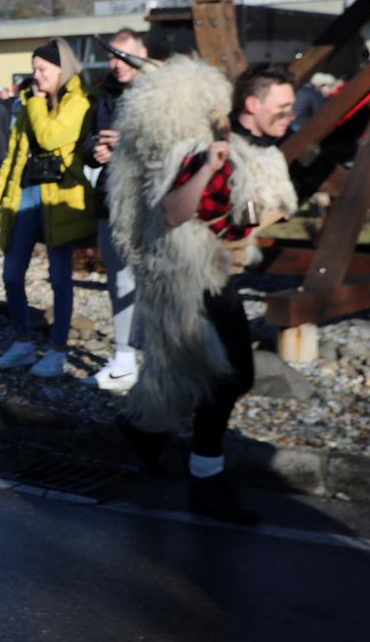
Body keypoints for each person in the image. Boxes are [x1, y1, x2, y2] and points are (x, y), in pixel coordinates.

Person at [111, 62, 297, 525]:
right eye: (283, 106)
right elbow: (174, 212)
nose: (289, 114)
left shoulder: (260, 153)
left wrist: (254, 217)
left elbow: (243, 215)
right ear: (253, 105)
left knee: (211, 376)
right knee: (227, 377)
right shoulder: (201, 150)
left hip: (219, 274)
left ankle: (145, 434)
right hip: (188, 280)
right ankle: (204, 479)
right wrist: (211, 166)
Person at [0, 39, 96, 379]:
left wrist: (35, 104)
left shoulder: (79, 102)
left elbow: (49, 136)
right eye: (34, 70)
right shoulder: (33, 102)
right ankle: (22, 342)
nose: (36, 76)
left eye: (42, 69)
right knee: (12, 273)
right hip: (26, 193)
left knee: (60, 278)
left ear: (62, 69)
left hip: (61, 198)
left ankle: (57, 351)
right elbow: (14, 156)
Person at [79, 29, 149, 392]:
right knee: (118, 279)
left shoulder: (159, 95)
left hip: (149, 202)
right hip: (110, 198)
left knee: (152, 283)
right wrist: (97, 151)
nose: (116, 63)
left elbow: (176, 144)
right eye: (112, 56)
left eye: (124, 55)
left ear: (143, 53)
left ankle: (155, 360)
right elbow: (88, 140)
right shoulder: (104, 94)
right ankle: (123, 358)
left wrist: (129, 144)